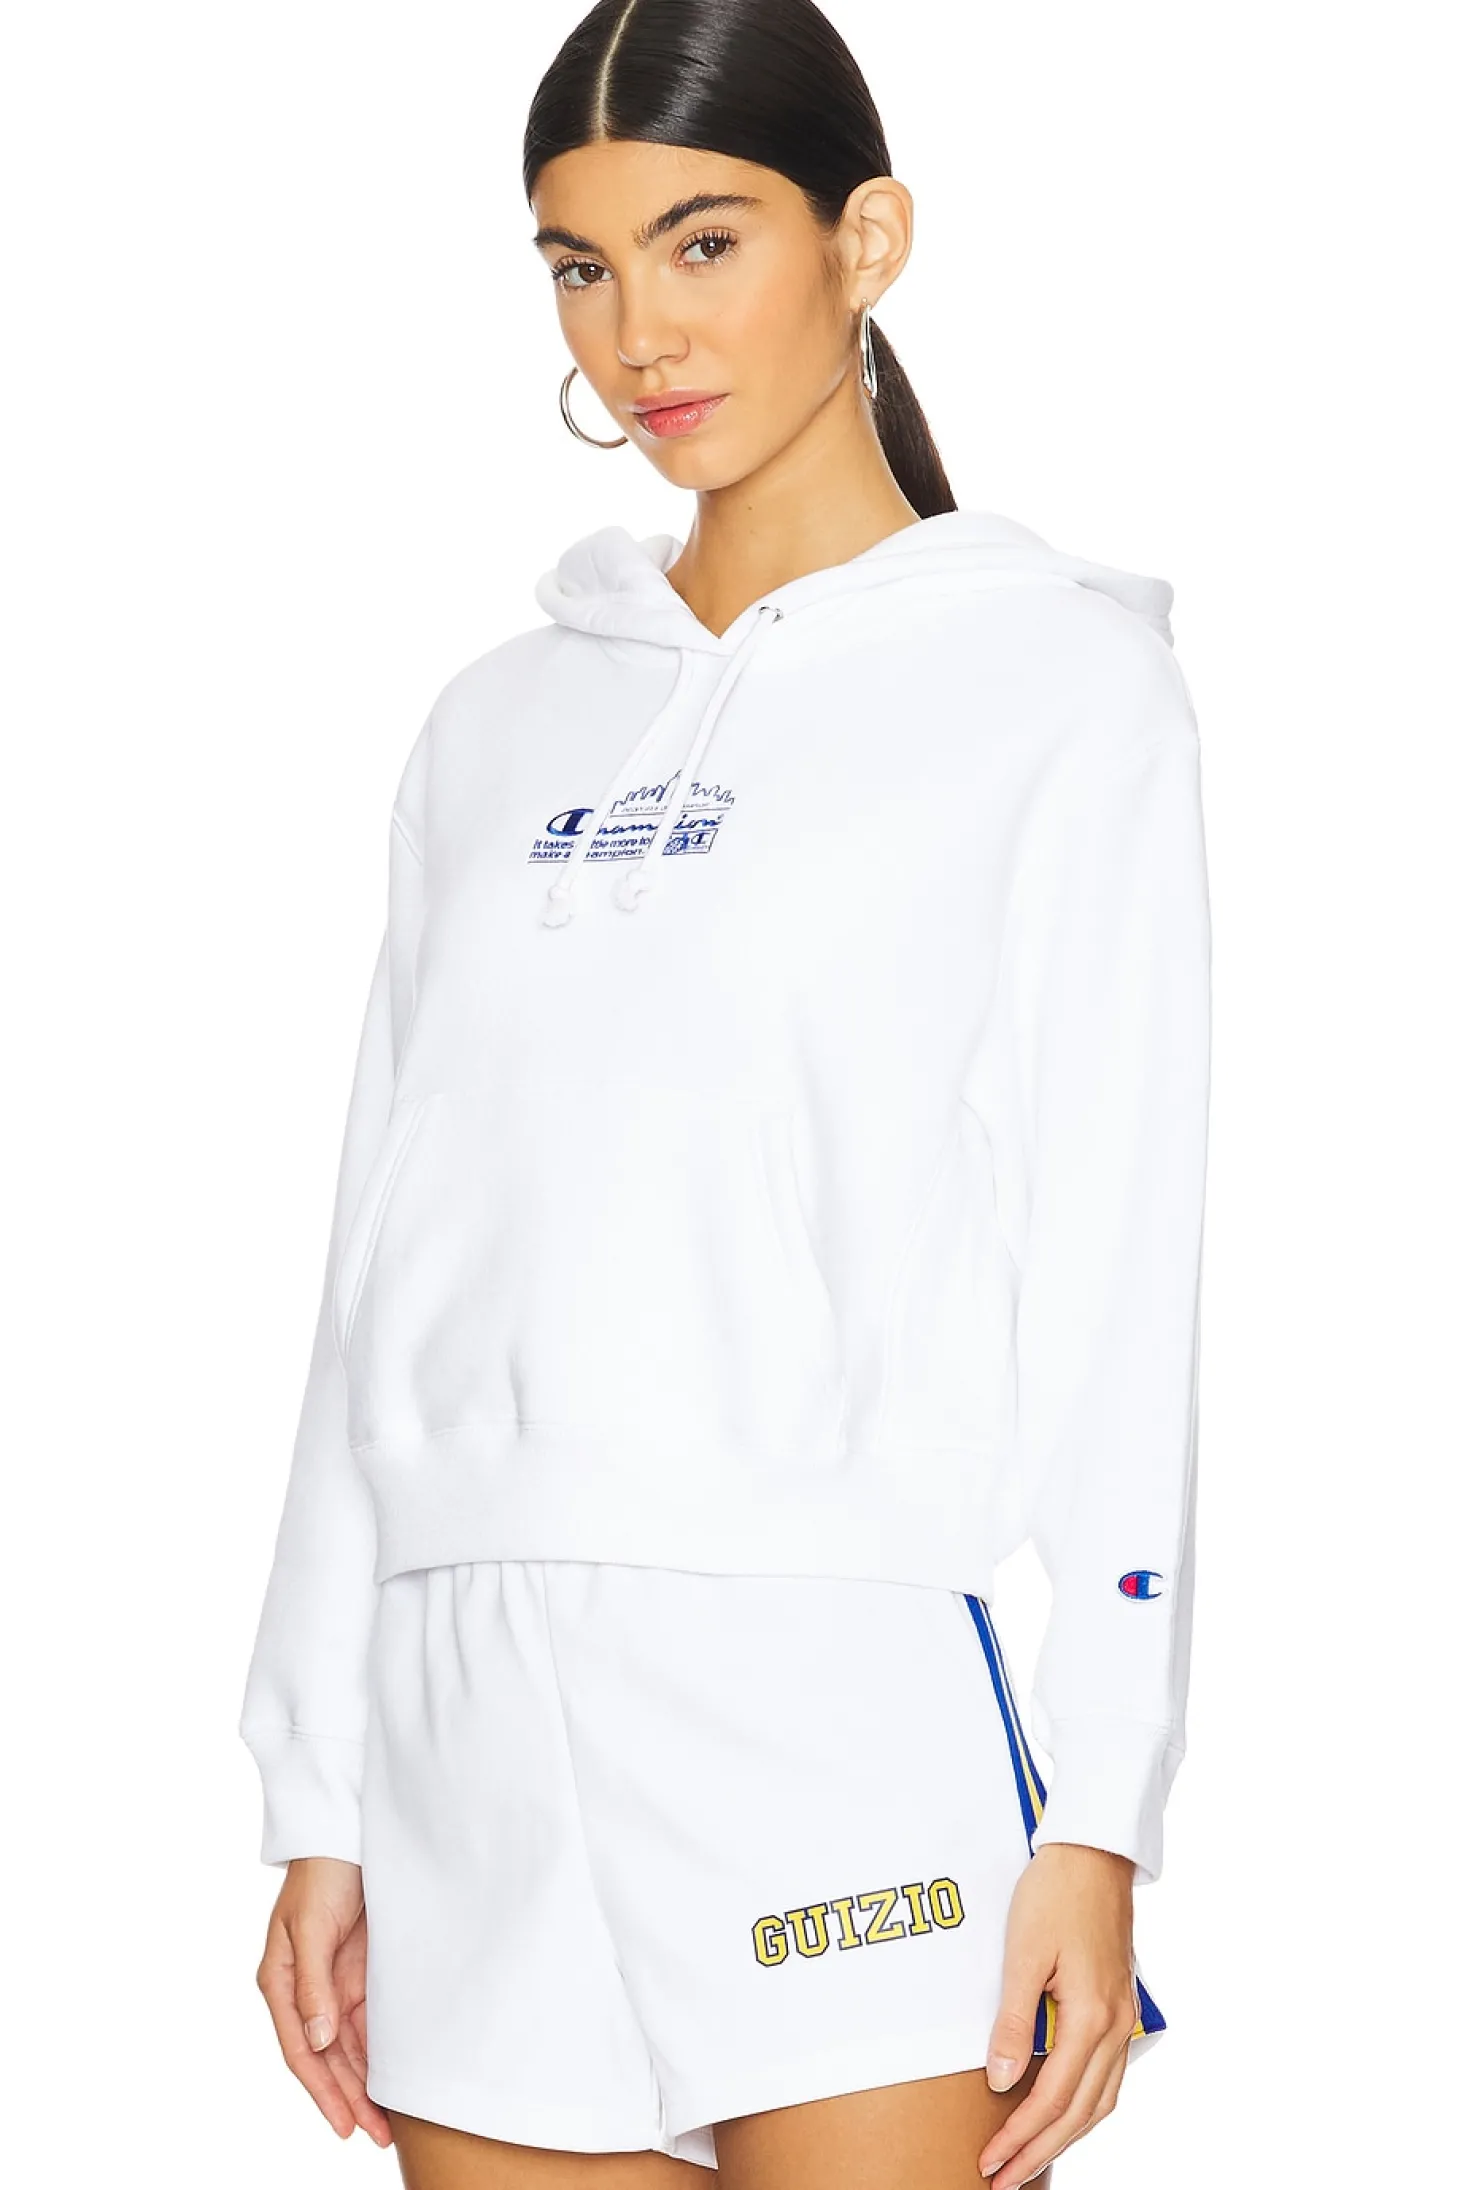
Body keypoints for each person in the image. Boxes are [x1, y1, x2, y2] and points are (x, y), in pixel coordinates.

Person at [238, 4, 1211, 2186]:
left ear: (866, 240)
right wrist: (319, 1786)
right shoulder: (494, 725)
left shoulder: (1059, 686)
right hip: (465, 1737)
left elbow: (1119, 1261)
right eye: (578, 267)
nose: (639, 334)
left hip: (824, 1725)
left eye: (702, 243)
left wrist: (1102, 1808)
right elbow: (377, 1266)